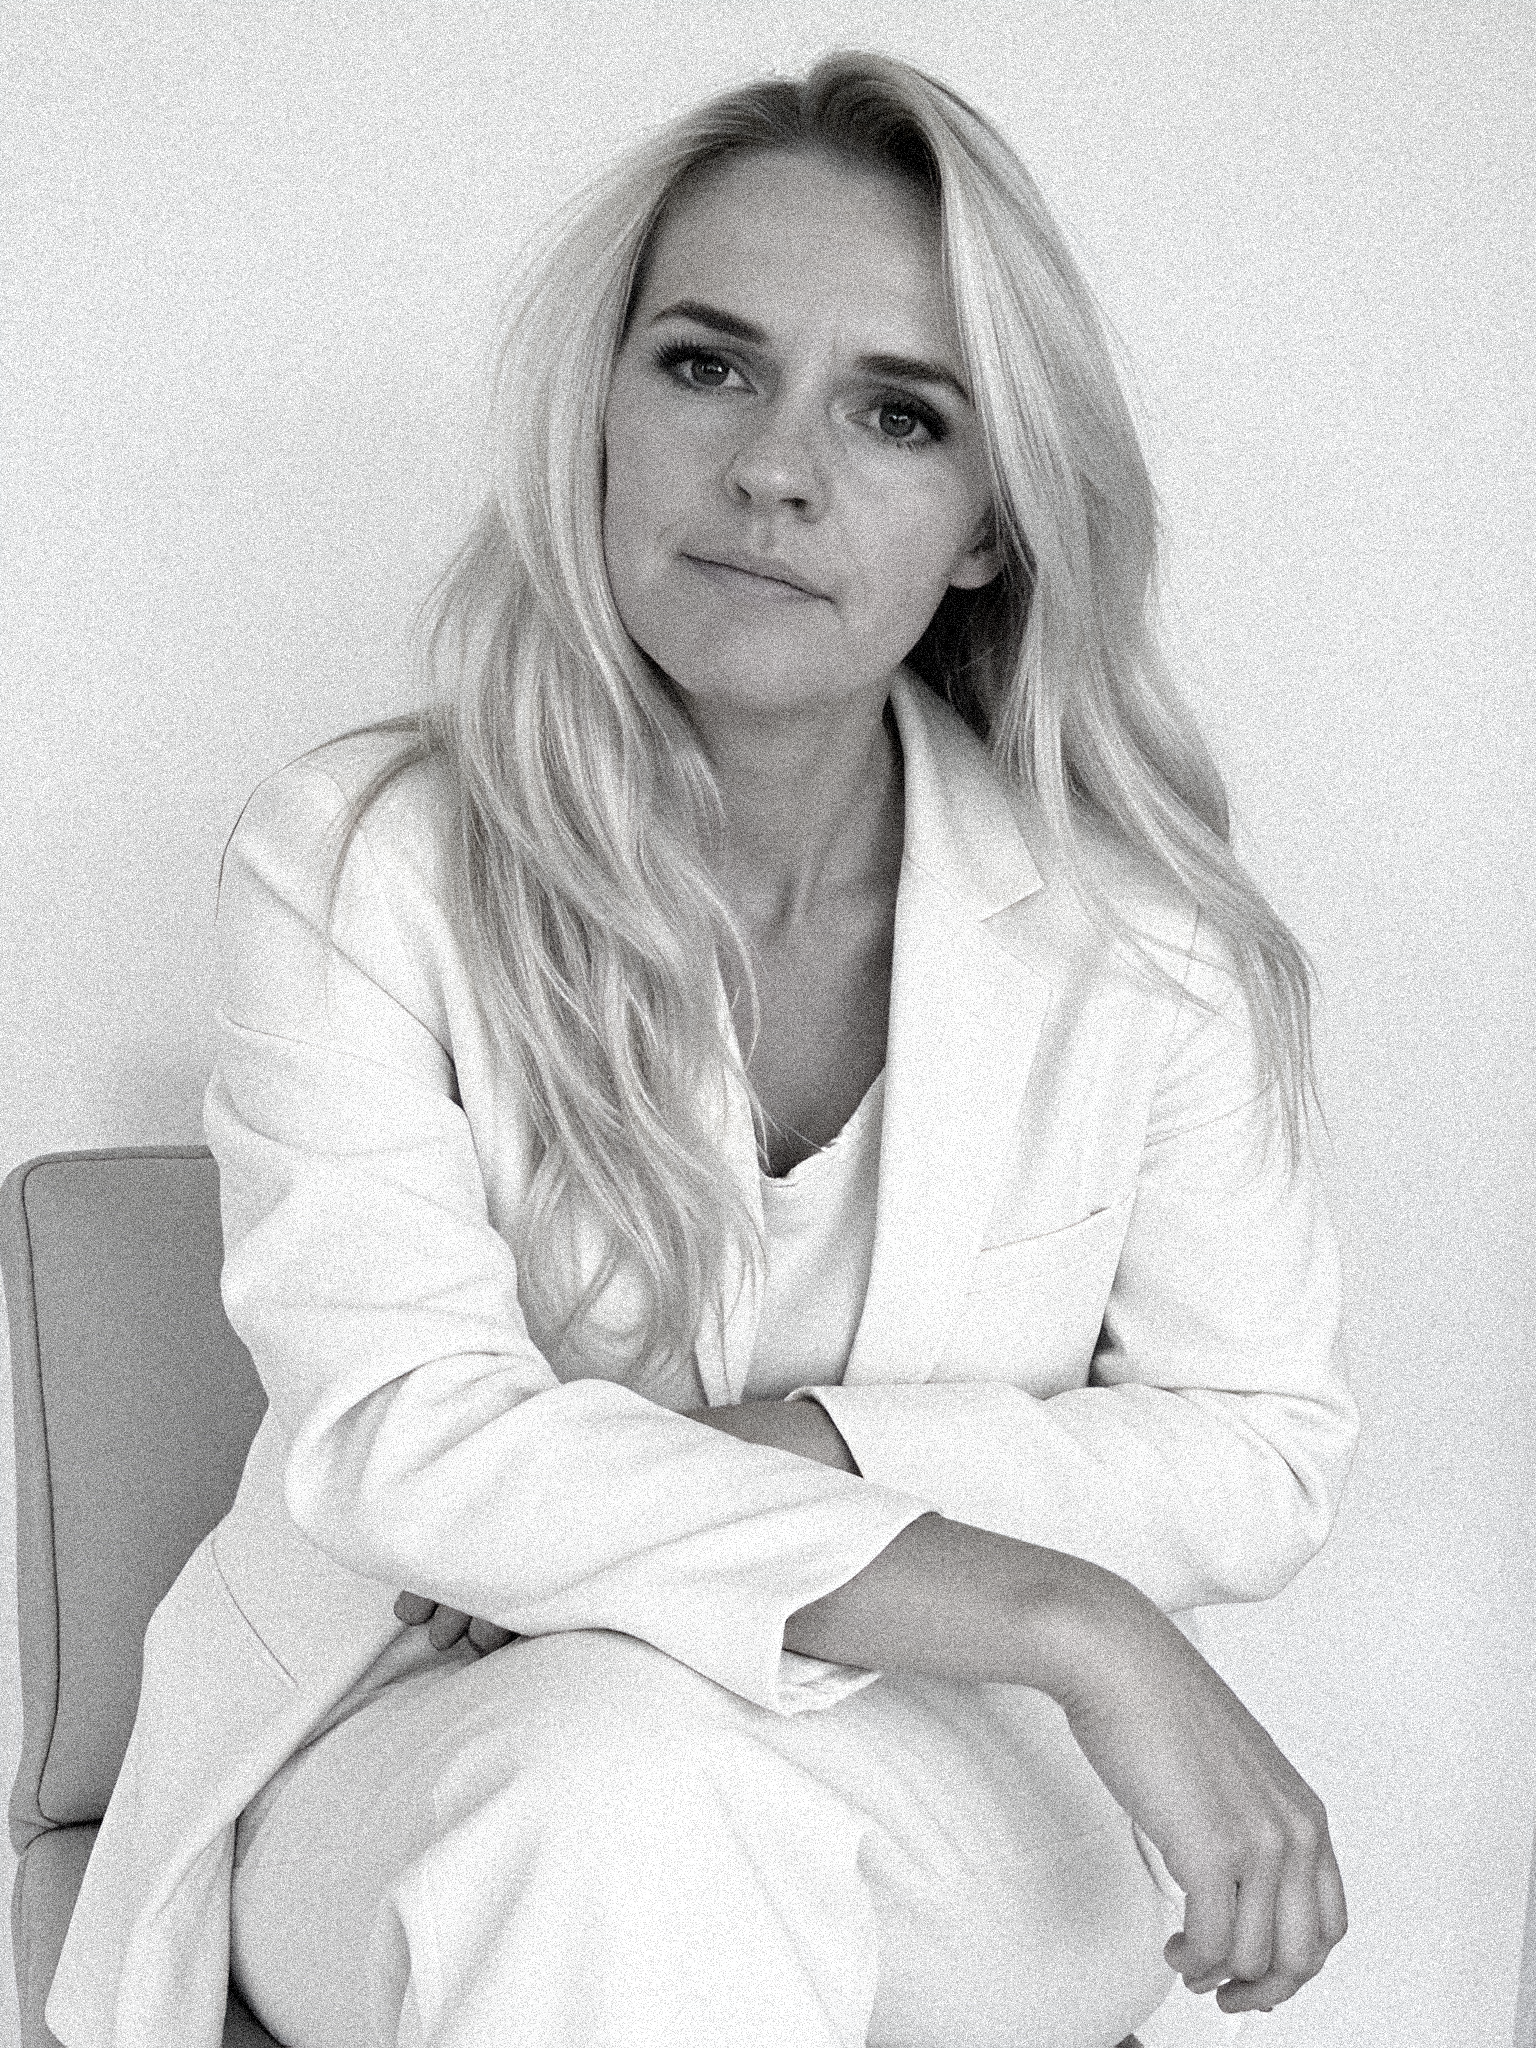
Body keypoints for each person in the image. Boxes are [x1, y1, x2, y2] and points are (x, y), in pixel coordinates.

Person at [46, 51, 1359, 2048]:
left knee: (638, 1794)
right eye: (706, 366)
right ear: (598, 411)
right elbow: (406, 1440)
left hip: (943, 1788)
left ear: (992, 522)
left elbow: (1259, 1446)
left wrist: (802, 1452)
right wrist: (1065, 1610)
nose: (774, 469)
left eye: (899, 413)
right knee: (612, 1782)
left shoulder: (1145, 941)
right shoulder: (361, 859)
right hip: (432, 1751)